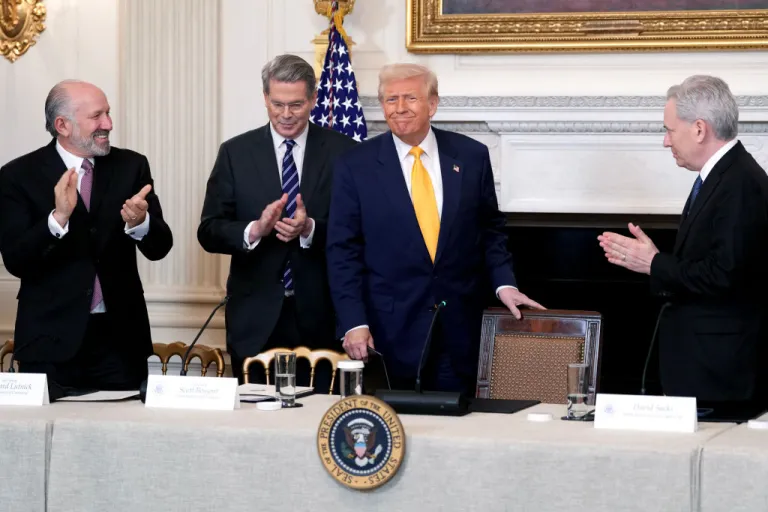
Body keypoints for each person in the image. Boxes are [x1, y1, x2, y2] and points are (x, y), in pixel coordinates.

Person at [326, 63, 544, 395]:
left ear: (433, 104)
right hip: (387, 334)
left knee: (457, 431)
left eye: (410, 98)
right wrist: (354, 322)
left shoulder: (471, 156)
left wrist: (504, 285)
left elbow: (490, 230)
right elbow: (343, 251)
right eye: (390, 99)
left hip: (459, 328)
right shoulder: (354, 165)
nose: (399, 108)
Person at [598, 75, 768, 404]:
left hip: (720, 373)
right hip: (705, 366)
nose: (665, 141)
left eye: (670, 130)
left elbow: (724, 275)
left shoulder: (740, 184)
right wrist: (655, 263)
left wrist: (654, 263)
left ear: (700, 129)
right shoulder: (723, 177)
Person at [0, 80, 173, 398]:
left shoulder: (132, 166)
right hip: (49, 344)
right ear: (62, 125)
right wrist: (57, 219)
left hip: (120, 342)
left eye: (108, 113)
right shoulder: (16, 175)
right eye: (97, 116)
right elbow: (16, 259)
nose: (108, 124)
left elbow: (160, 246)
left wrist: (140, 223)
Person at [198, 54, 356, 386]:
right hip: (254, 322)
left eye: (296, 105)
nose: (286, 115)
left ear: (313, 99)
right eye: (277, 104)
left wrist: (310, 228)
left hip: (321, 319)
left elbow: (358, 230)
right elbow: (209, 230)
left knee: (317, 425)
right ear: (265, 97)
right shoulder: (236, 152)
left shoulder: (344, 153)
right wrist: (254, 230)